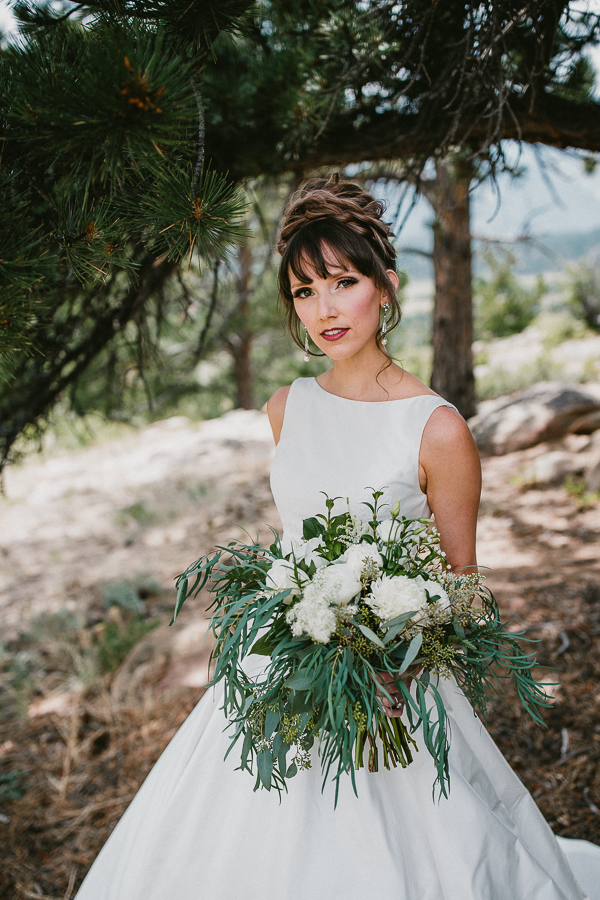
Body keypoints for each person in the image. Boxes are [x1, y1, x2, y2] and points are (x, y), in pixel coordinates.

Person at [75, 175, 600, 900]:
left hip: (394, 689)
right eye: (303, 291)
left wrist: (396, 655)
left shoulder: (436, 427)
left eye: (342, 282)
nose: (323, 308)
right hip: (277, 675)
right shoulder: (287, 407)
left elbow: (465, 588)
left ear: (385, 286)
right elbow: (294, 542)